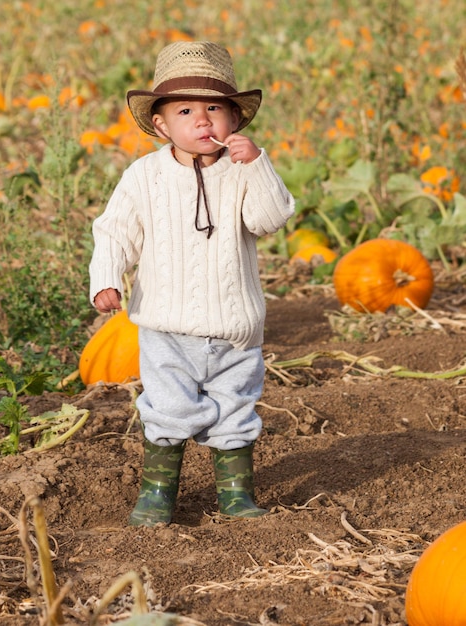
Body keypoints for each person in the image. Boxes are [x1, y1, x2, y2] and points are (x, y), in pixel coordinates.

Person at [89, 40, 294, 527]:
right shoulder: (145, 176)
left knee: (235, 410)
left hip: (235, 326)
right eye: (186, 110)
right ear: (161, 124)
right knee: (168, 408)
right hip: (167, 326)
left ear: (235, 121)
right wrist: (106, 277)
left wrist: (258, 164)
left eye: (214, 109)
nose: (203, 120)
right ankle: (158, 493)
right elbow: (115, 230)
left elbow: (270, 219)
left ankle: (236, 494)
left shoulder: (244, 171)